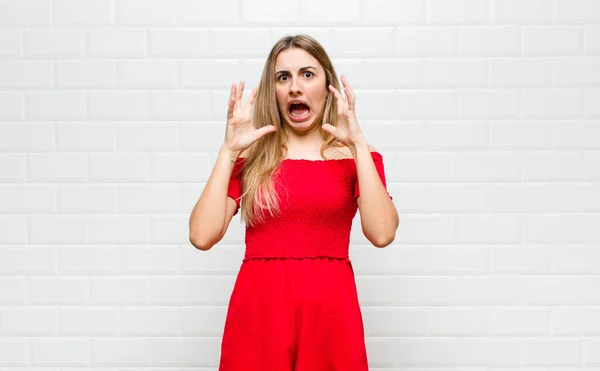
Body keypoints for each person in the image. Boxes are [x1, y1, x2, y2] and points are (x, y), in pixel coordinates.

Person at [189, 34, 399, 371]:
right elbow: (201, 235)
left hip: (331, 316)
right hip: (259, 314)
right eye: (282, 77)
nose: (295, 87)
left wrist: (359, 144)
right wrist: (228, 153)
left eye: (307, 74)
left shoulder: (357, 156)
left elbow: (383, 233)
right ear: (272, 90)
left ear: (328, 84)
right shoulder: (250, 156)